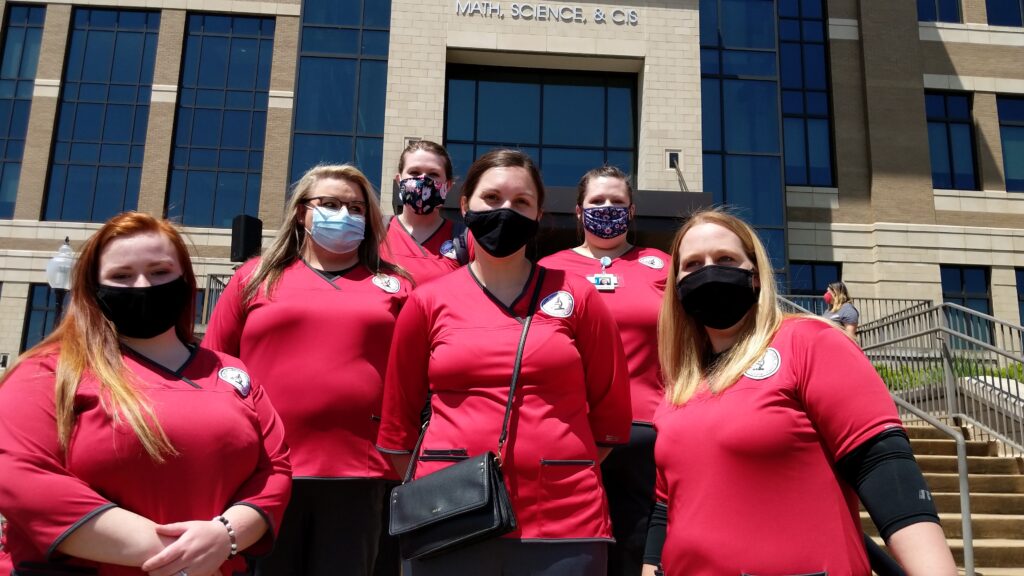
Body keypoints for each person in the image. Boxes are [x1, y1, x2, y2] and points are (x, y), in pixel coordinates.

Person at [642, 209, 957, 576]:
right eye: (693, 264)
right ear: (677, 286)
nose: (708, 271)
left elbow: (883, 466)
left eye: (725, 259)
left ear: (755, 275)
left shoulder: (810, 343)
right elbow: (666, 507)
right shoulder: (679, 387)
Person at [377, 149, 632, 576]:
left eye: (521, 202)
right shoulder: (427, 302)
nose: (506, 211)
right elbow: (397, 421)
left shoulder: (579, 296)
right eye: (492, 198)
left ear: (538, 215)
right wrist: (442, 481)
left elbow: (610, 412)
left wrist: (558, 465)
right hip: (449, 519)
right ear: (465, 206)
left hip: (564, 521)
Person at [0, 212, 291, 576]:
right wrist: (180, 557)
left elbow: (273, 468)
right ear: (94, 288)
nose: (142, 286)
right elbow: (20, 473)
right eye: (121, 276)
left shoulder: (232, 373)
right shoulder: (47, 370)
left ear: (185, 280)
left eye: (159, 271)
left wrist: (225, 536)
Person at [203, 164, 409, 576]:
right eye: (330, 204)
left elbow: (415, 377)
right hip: (265, 472)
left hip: (363, 475)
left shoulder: (398, 286)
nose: (344, 215)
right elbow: (213, 369)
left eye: (356, 208)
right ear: (301, 212)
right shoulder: (253, 277)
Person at [538, 165, 668, 576]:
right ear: (579, 211)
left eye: (616, 201)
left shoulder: (662, 266)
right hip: (570, 433)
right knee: (571, 552)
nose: (607, 207)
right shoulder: (548, 270)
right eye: (597, 201)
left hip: (646, 431)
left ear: (631, 211)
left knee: (637, 551)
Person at [382, 140, 464, 285]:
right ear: (399, 180)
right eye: (414, 172)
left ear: (448, 185)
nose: (423, 179)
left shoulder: (464, 239)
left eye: (433, 174)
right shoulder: (376, 231)